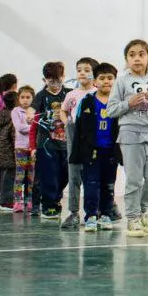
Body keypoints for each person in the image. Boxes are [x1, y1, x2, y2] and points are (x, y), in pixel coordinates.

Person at [105, 40, 148, 237]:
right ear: (127, 60)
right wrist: (129, 103)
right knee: (134, 179)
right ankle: (132, 219)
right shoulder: (121, 81)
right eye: (132, 54)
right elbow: (111, 110)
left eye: (141, 54)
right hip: (129, 133)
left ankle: (141, 211)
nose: (137, 58)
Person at [71, 62, 120, 232]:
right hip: (91, 152)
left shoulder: (118, 102)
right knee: (91, 184)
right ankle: (91, 215)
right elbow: (78, 129)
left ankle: (106, 214)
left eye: (110, 78)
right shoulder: (87, 102)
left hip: (111, 152)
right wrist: (77, 154)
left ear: (115, 80)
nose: (106, 81)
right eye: (102, 78)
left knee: (108, 184)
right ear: (95, 82)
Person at [60, 57, 99, 229]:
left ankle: (95, 211)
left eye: (87, 69)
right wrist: (66, 122)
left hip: (94, 137)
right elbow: (63, 110)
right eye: (79, 69)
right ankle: (73, 213)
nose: (82, 73)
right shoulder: (71, 94)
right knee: (74, 174)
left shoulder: (98, 93)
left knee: (93, 176)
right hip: (75, 135)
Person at [33, 63, 69, 220]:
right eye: (50, 81)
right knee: (49, 175)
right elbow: (32, 110)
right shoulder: (41, 96)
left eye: (58, 80)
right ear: (44, 80)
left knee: (65, 175)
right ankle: (48, 205)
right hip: (46, 144)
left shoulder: (69, 94)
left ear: (63, 77)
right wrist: (29, 115)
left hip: (66, 143)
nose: (55, 85)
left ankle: (56, 198)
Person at [11, 86, 37, 214]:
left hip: (32, 148)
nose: (25, 100)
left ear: (33, 98)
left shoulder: (35, 111)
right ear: (18, 98)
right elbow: (19, 127)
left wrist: (33, 125)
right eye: (22, 97)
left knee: (31, 175)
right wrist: (33, 126)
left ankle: (29, 199)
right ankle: (17, 201)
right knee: (20, 175)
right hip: (20, 147)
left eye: (28, 97)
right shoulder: (16, 111)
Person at [0, 91, 18, 213]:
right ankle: (6, 202)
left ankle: (0, 199)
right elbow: (14, 136)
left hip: (1, 150)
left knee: (4, 176)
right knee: (10, 177)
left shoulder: (2, 115)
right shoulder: (14, 117)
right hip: (10, 152)